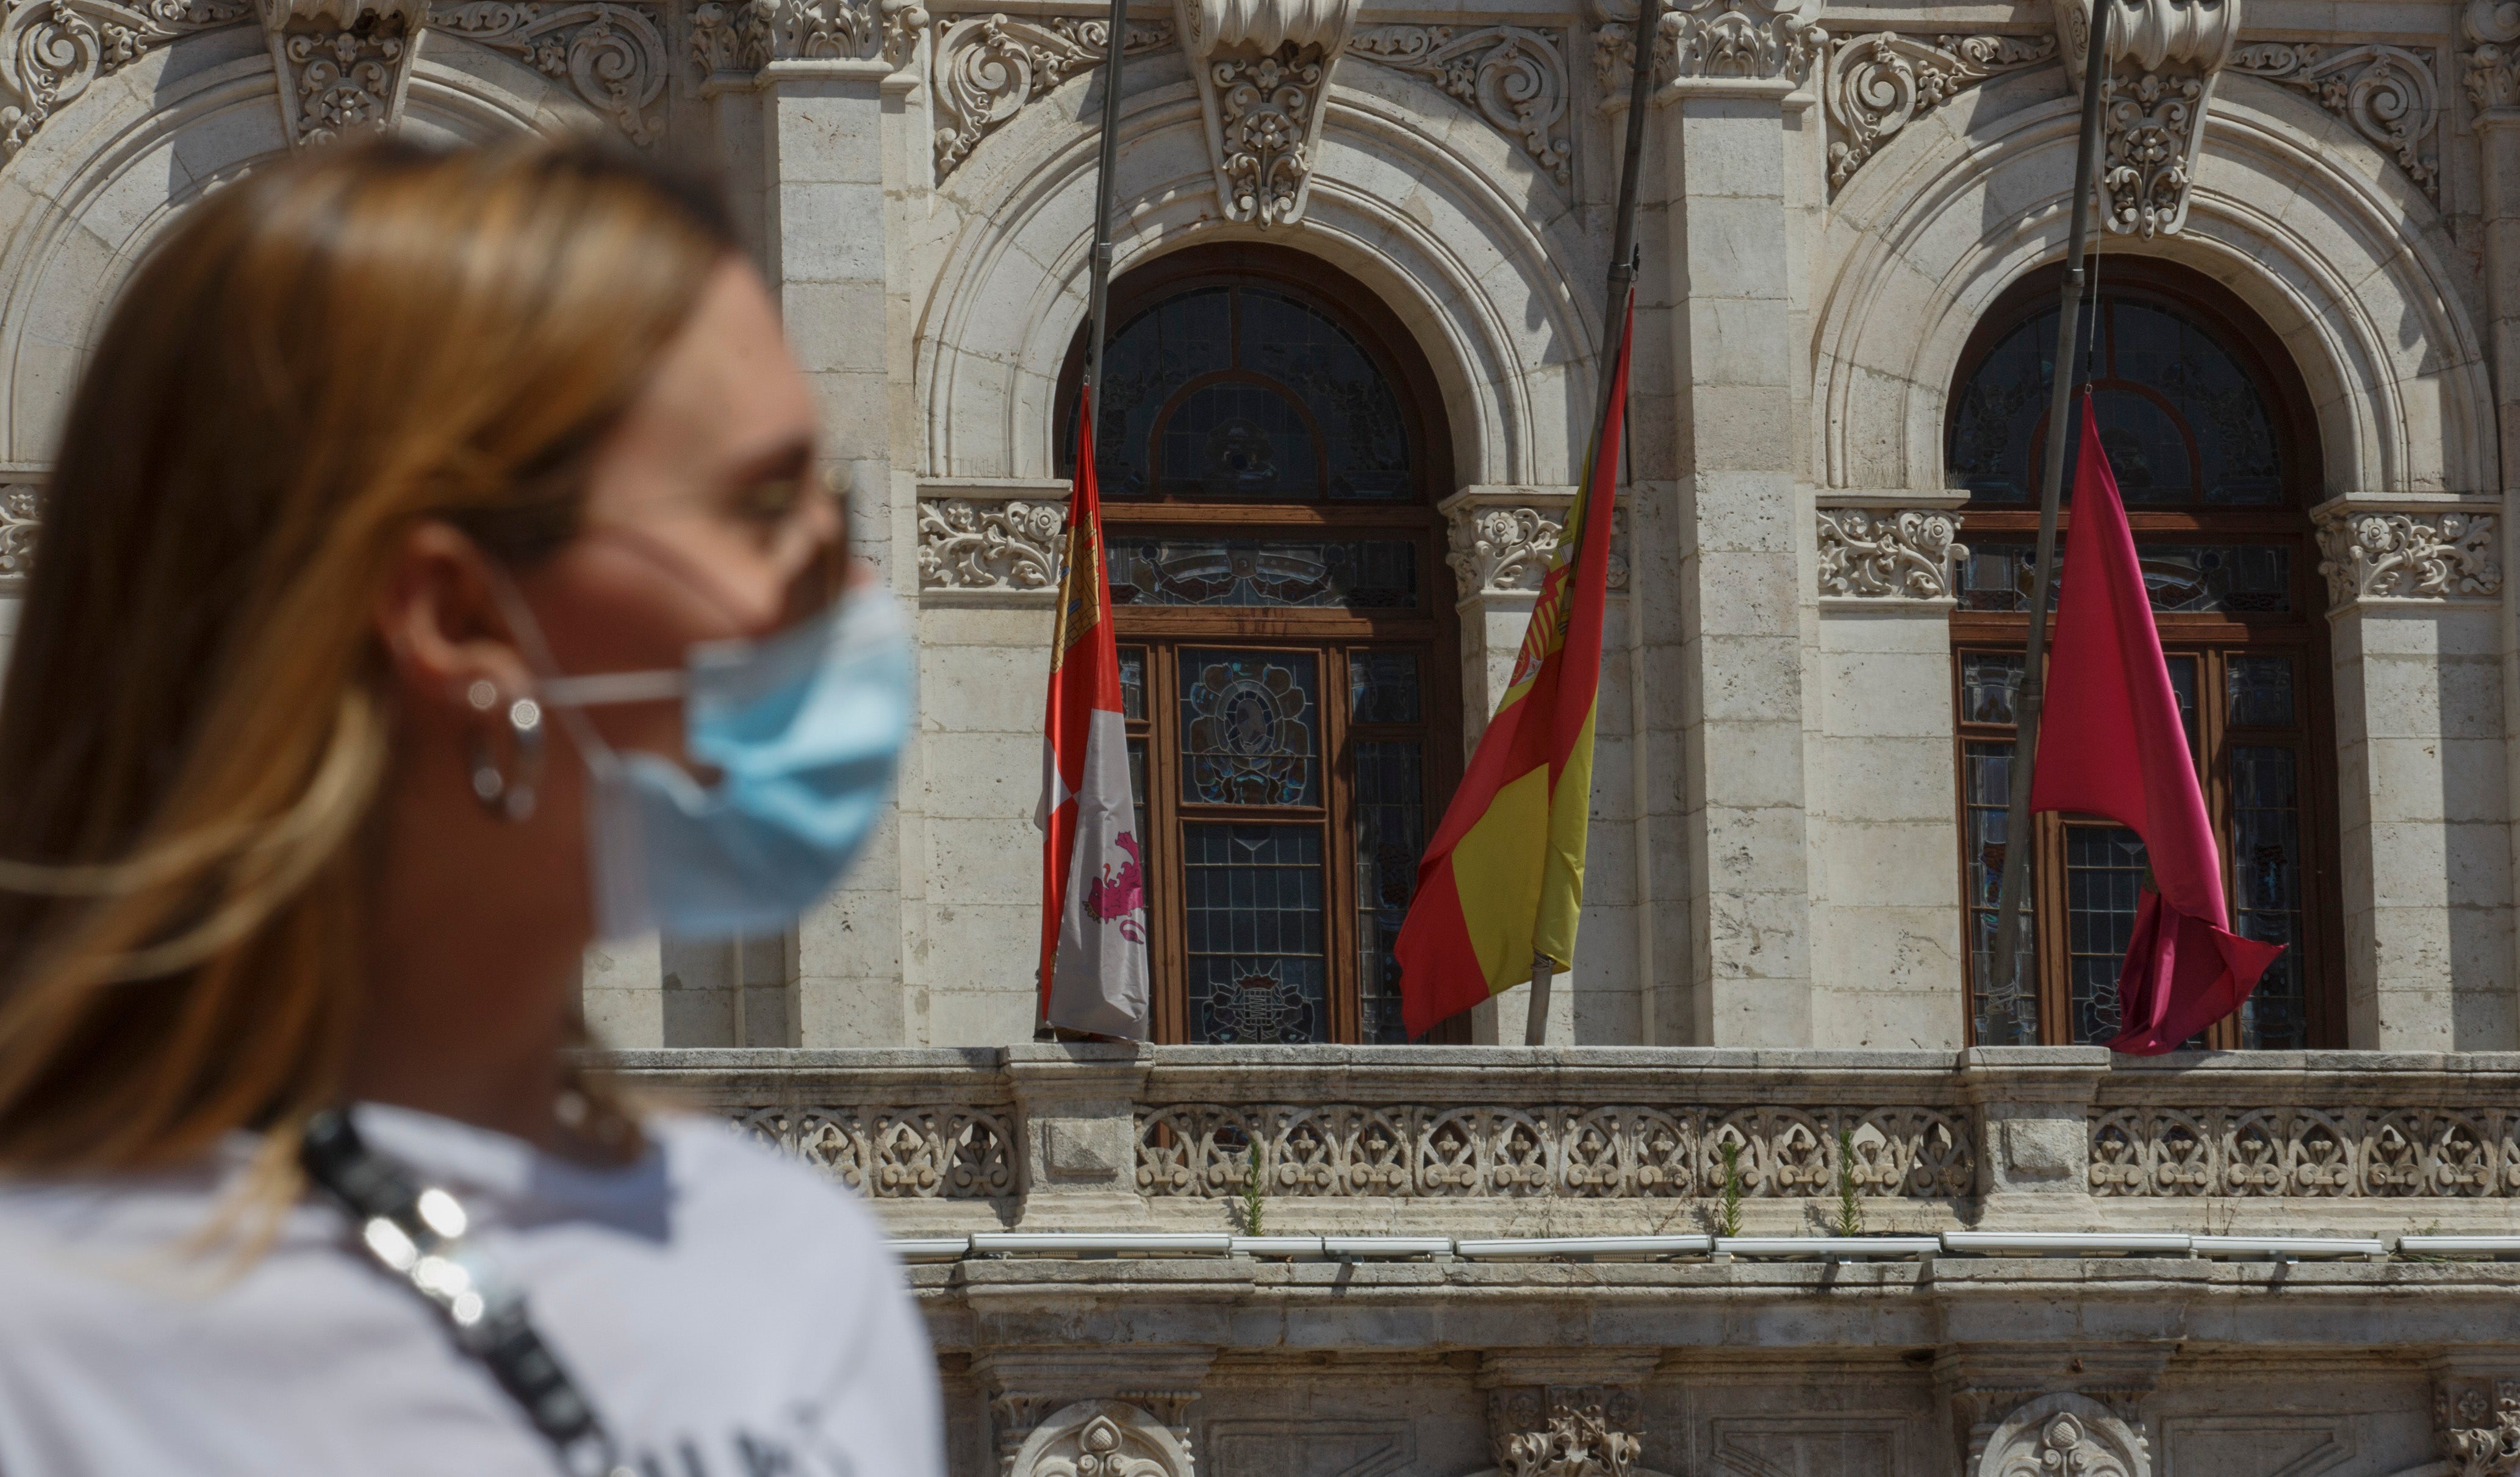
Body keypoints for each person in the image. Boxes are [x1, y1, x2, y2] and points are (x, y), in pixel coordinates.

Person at [0, 134, 943, 1476]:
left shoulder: (798, 1265)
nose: (845, 584)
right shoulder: (45, 1336)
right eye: (761, 505)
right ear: (454, 616)